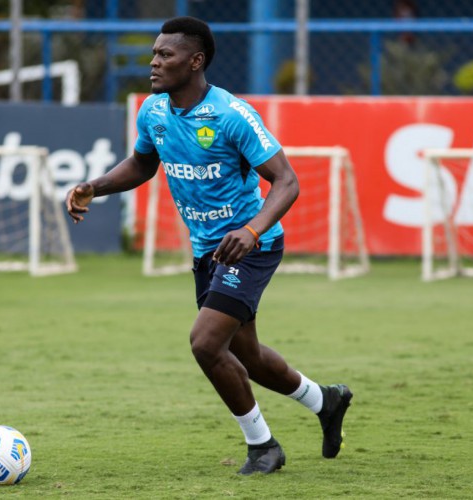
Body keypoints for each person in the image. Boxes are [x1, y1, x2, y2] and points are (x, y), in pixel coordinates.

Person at [66, 16, 352, 475]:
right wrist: (93, 187)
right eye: (155, 53)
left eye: (166, 55)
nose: (154, 62)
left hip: (251, 247)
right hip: (208, 251)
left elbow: (286, 182)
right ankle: (326, 400)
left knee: (204, 343)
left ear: (195, 61)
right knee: (247, 356)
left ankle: (263, 447)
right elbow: (143, 163)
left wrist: (252, 230)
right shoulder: (153, 111)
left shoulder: (231, 115)